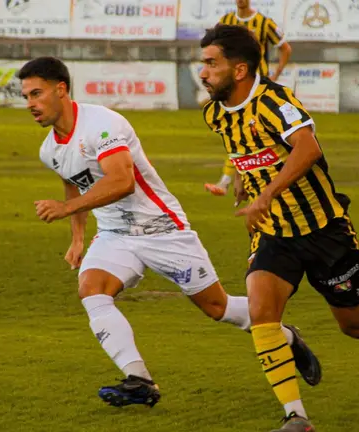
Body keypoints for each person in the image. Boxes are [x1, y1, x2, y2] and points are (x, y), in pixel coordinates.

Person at [19, 56, 321, 408]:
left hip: (163, 229)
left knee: (216, 307)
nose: (30, 104)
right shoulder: (49, 149)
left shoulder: (102, 124)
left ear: (61, 89)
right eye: (25, 97)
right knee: (92, 290)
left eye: (36, 94)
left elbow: (122, 182)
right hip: (115, 234)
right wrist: (77, 238)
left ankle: (285, 336)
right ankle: (140, 380)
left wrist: (65, 209)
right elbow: (74, 185)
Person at [199, 25, 359, 432]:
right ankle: (297, 417)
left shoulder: (275, 100)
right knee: (261, 313)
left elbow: (308, 149)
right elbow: (244, 151)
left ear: (239, 70)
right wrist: (244, 181)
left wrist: (267, 193)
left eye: (210, 63)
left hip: (325, 230)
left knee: (355, 325)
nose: (202, 72)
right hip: (273, 233)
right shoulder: (214, 114)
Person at [205, 0, 292, 196]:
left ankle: (234, 181)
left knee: (251, 135)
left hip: (255, 88)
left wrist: (275, 74)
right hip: (232, 89)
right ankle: (233, 181)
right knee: (237, 133)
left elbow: (285, 48)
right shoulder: (225, 22)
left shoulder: (263, 22)